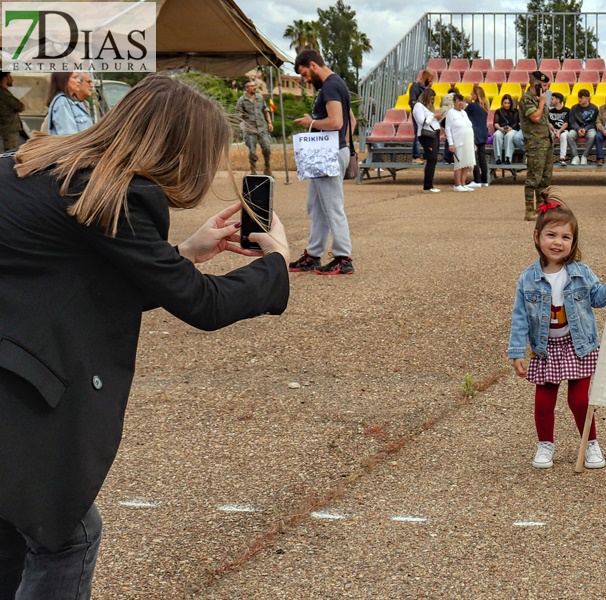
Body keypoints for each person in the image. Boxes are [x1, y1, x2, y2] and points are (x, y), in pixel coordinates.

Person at [0, 73, 289, 600]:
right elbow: (204, 304)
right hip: (14, 396)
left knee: (8, 526)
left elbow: (80, 277)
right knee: (68, 534)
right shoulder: (119, 197)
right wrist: (277, 265)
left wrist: (183, 253)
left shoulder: (35, 165)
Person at [507, 192, 606, 470]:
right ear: (537, 236)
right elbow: (519, 317)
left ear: (573, 242)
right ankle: (545, 445)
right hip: (545, 350)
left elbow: (598, 299)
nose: (558, 242)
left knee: (579, 401)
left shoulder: (581, 272)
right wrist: (517, 351)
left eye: (566, 238)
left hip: (579, 346)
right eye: (551, 235)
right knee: (543, 403)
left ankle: (590, 444)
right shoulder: (528, 278)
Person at [290, 50, 355, 274]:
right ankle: (314, 253)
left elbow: (336, 121)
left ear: (313, 65)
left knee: (332, 206)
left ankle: (343, 256)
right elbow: (350, 120)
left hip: (329, 153)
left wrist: (311, 122)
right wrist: (343, 145)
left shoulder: (329, 86)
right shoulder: (338, 84)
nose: (306, 80)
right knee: (316, 206)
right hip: (332, 151)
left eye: (305, 74)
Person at [521, 71, 554, 221]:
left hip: (545, 141)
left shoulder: (538, 98)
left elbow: (543, 119)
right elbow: (535, 117)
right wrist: (541, 102)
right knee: (534, 177)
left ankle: (542, 208)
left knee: (545, 177)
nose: (547, 88)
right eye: (545, 85)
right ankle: (529, 210)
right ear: (537, 85)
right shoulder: (527, 99)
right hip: (535, 143)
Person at [235, 80, 274, 176]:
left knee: (267, 148)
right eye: (252, 86)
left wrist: (269, 122)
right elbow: (238, 114)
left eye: (255, 85)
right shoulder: (242, 100)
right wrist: (240, 121)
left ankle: (267, 168)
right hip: (250, 129)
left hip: (262, 127)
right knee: (252, 150)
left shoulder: (260, 97)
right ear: (246, 89)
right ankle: (253, 170)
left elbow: (265, 110)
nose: (254, 87)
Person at [411, 87, 441, 193]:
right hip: (426, 135)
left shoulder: (426, 108)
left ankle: (430, 184)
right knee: (431, 158)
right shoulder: (418, 106)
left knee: (433, 159)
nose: (432, 101)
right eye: (431, 98)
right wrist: (434, 116)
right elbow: (422, 121)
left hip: (434, 134)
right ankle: (428, 185)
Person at [445, 92, 476, 192]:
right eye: (458, 101)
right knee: (459, 163)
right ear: (454, 102)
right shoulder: (451, 113)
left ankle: (463, 183)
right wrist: (451, 143)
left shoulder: (464, 112)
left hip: (468, 141)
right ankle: (457, 184)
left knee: (466, 162)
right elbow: (448, 129)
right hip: (458, 141)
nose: (460, 103)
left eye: (462, 101)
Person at [465, 86, 490, 188]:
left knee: (474, 158)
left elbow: (464, 114)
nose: (471, 95)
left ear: (476, 95)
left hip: (474, 133)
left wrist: (468, 103)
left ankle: (477, 180)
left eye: (472, 94)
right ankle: (484, 180)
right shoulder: (484, 105)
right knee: (482, 158)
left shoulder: (473, 106)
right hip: (483, 133)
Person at [409, 69, 435, 164]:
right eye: (431, 78)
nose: (431, 81)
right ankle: (416, 157)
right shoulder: (415, 86)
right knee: (418, 134)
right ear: (426, 77)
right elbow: (412, 101)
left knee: (426, 135)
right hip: (418, 115)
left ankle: (426, 156)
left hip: (426, 115)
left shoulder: (427, 88)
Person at [566, 89, 598, 165]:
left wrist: (585, 129)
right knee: (570, 135)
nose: (579, 99)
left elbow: (594, 122)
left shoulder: (594, 108)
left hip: (589, 128)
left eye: (581, 97)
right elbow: (572, 121)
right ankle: (575, 156)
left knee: (593, 136)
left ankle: (584, 156)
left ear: (587, 98)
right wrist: (578, 129)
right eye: (579, 97)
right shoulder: (574, 108)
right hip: (577, 129)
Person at [492, 94, 523, 165]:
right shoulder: (498, 111)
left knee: (509, 136)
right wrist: (500, 128)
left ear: (511, 103)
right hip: (501, 128)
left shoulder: (515, 111)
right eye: (505, 103)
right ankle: (498, 158)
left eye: (508, 103)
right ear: (502, 103)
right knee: (496, 135)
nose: (506, 105)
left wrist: (510, 128)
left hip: (512, 129)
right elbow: (495, 123)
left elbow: (516, 123)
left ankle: (508, 158)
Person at [0, 71, 24, 152]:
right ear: (4, 79)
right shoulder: (4, 93)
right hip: (8, 128)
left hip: (6, 127)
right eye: (10, 77)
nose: (12, 80)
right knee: (11, 153)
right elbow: (20, 106)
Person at [548, 92, 572, 166]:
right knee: (548, 135)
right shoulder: (550, 111)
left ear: (558, 100)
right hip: (553, 130)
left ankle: (562, 158)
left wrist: (559, 131)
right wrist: (554, 130)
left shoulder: (567, 110)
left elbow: (566, 123)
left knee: (563, 136)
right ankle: (548, 157)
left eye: (552, 99)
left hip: (564, 130)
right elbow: (548, 123)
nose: (550, 101)